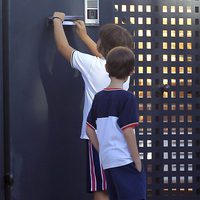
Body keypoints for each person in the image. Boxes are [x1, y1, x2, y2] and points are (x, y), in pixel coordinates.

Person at [52, 11, 133, 200]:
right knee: (113, 184)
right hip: (120, 136)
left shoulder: (91, 66)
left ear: (101, 45)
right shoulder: (125, 73)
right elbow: (106, 58)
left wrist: (57, 20)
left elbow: (63, 47)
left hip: (97, 136)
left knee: (100, 187)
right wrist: (84, 36)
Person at [86, 46, 146, 200]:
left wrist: (103, 150)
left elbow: (89, 129)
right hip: (125, 160)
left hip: (107, 160)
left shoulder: (99, 97)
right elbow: (127, 131)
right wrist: (137, 160)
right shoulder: (127, 98)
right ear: (131, 71)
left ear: (107, 68)